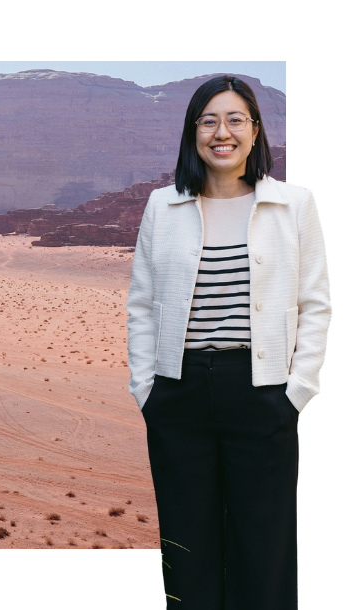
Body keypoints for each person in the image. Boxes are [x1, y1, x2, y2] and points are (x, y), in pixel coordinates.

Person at [126, 75, 331, 609]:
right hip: (179, 391)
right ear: (193, 132)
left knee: (262, 549)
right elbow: (142, 306)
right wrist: (148, 391)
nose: (223, 132)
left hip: (260, 392)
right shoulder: (161, 208)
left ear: (255, 130)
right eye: (209, 120)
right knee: (187, 550)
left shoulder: (293, 205)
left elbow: (316, 304)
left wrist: (297, 392)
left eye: (236, 119)